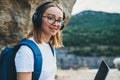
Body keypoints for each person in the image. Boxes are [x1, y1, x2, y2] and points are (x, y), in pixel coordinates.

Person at [14, 1, 65, 80]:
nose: (56, 24)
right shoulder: (26, 51)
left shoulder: (50, 46)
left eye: (59, 20)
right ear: (37, 19)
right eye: (50, 18)